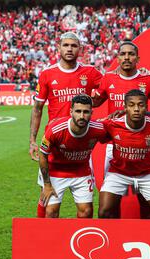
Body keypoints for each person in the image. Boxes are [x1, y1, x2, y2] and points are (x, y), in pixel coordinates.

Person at [92, 41, 150, 219]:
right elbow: (93, 103)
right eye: (123, 54)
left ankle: (144, 234)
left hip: (141, 141)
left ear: (138, 58)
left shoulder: (148, 79)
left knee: (145, 198)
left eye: (131, 54)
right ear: (118, 57)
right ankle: (116, 234)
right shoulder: (108, 78)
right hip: (115, 144)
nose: (127, 58)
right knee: (112, 201)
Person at [30, 31, 102, 217]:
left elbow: (110, 87)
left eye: (74, 45)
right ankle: (40, 235)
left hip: (81, 142)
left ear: (80, 49)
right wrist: (32, 140)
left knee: (86, 209)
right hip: (54, 142)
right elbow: (37, 108)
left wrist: (135, 72)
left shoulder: (90, 73)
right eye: (66, 45)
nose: (69, 49)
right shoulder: (47, 74)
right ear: (59, 48)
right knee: (48, 202)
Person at [98, 89, 150, 219]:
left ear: (146, 107)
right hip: (118, 173)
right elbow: (89, 129)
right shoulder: (112, 124)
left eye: (140, 105)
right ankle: (114, 238)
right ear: (125, 108)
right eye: (131, 105)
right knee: (104, 211)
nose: (136, 109)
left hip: (147, 174)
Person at [38, 94, 107, 218]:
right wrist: (47, 185)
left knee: (86, 212)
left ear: (92, 112)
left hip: (81, 171)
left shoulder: (98, 129)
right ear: (71, 112)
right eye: (78, 111)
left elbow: (116, 134)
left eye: (86, 112)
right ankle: (46, 235)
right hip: (55, 171)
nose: (81, 116)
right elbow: (43, 154)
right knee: (50, 212)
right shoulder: (56, 129)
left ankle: (80, 237)